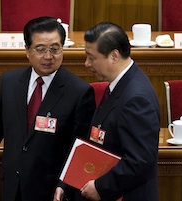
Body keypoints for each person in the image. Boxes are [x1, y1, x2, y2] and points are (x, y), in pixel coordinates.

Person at [0, 16, 96, 201]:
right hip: (11, 188)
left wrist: (65, 185)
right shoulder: (9, 82)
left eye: (55, 49)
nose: (48, 56)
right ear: (27, 51)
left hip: (51, 192)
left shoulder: (79, 91)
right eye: (40, 49)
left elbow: (81, 149)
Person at [55, 22, 160, 201]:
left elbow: (139, 161)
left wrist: (101, 187)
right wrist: (67, 181)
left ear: (113, 56)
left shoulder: (136, 98)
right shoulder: (120, 85)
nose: (86, 63)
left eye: (91, 57)